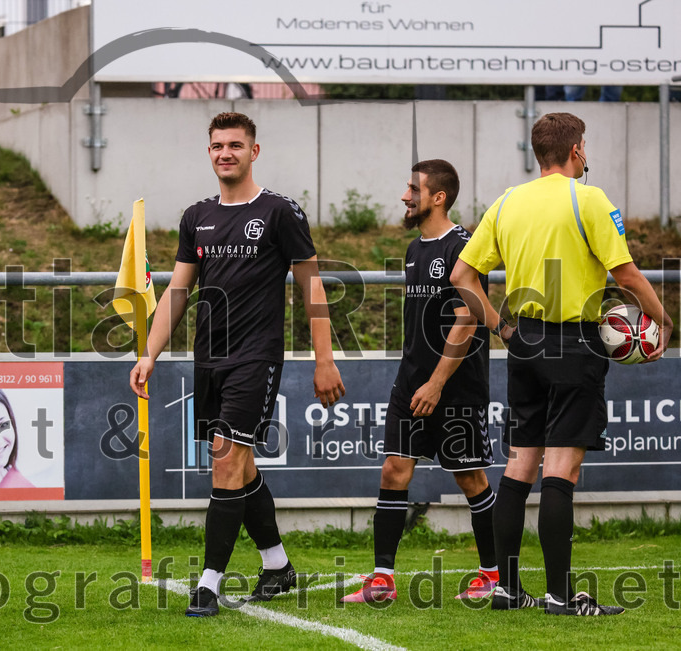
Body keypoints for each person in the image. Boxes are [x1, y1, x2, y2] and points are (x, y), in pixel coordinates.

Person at [452, 112, 673, 616]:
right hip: (575, 343)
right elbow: (627, 274)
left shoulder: (507, 201)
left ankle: (507, 589)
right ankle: (559, 594)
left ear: (538, 153)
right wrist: (664, 321)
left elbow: (463, 274)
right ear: (576, 151)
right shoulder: (588, 198)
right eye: (585, 147)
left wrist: (503, 329)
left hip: (524, 340)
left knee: (520, 463)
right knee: (562, 468)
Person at [129, 112, 345, 617]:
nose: (225, 153)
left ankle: (208, 584)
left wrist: (324, 360)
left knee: (225, 462)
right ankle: (278, 566)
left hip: (257, 357)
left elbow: (312, 289)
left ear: (254, 151)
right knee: (239, 467)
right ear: (209, 153)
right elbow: (177, 292)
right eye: (217, 146)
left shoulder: (278, 212)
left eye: (235, 145)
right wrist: (149, 353)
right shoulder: (196, 216)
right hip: (211, 360)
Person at [342, 160, 498, 603]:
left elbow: (468, 321)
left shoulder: (466, 246)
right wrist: (418, 380)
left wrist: (436, 384)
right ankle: (381, 581)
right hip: (411, 381)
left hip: (456, 387)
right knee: (394, 471)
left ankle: (491, 573)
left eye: (414, 188)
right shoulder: (414, 249)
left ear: (438, 197)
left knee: (470, 479)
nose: (405, 196)